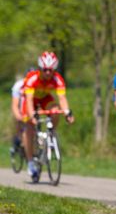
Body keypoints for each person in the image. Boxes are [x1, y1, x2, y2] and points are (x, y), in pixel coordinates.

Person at [22, 52, 75, 181]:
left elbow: (62, 98)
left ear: (54, 70)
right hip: (31, 100)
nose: (47, 73)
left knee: (56, 110)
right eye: (45, 70)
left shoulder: (57, 79)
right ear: (40, 68)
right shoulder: (32, 78)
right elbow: (28, 100)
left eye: (50, 70)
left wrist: (67, 112)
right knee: (29, 127)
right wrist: (32, 116)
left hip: (45, 99)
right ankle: (30, 161)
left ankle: (51, 133)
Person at [9, 68, 36, 157]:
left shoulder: (36, 84)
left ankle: (33, 148)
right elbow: (15, 104)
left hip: (31, 109)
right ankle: (17, 141)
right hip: (20, 108)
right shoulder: (18, 85)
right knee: (20, 124)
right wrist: (18, 116)